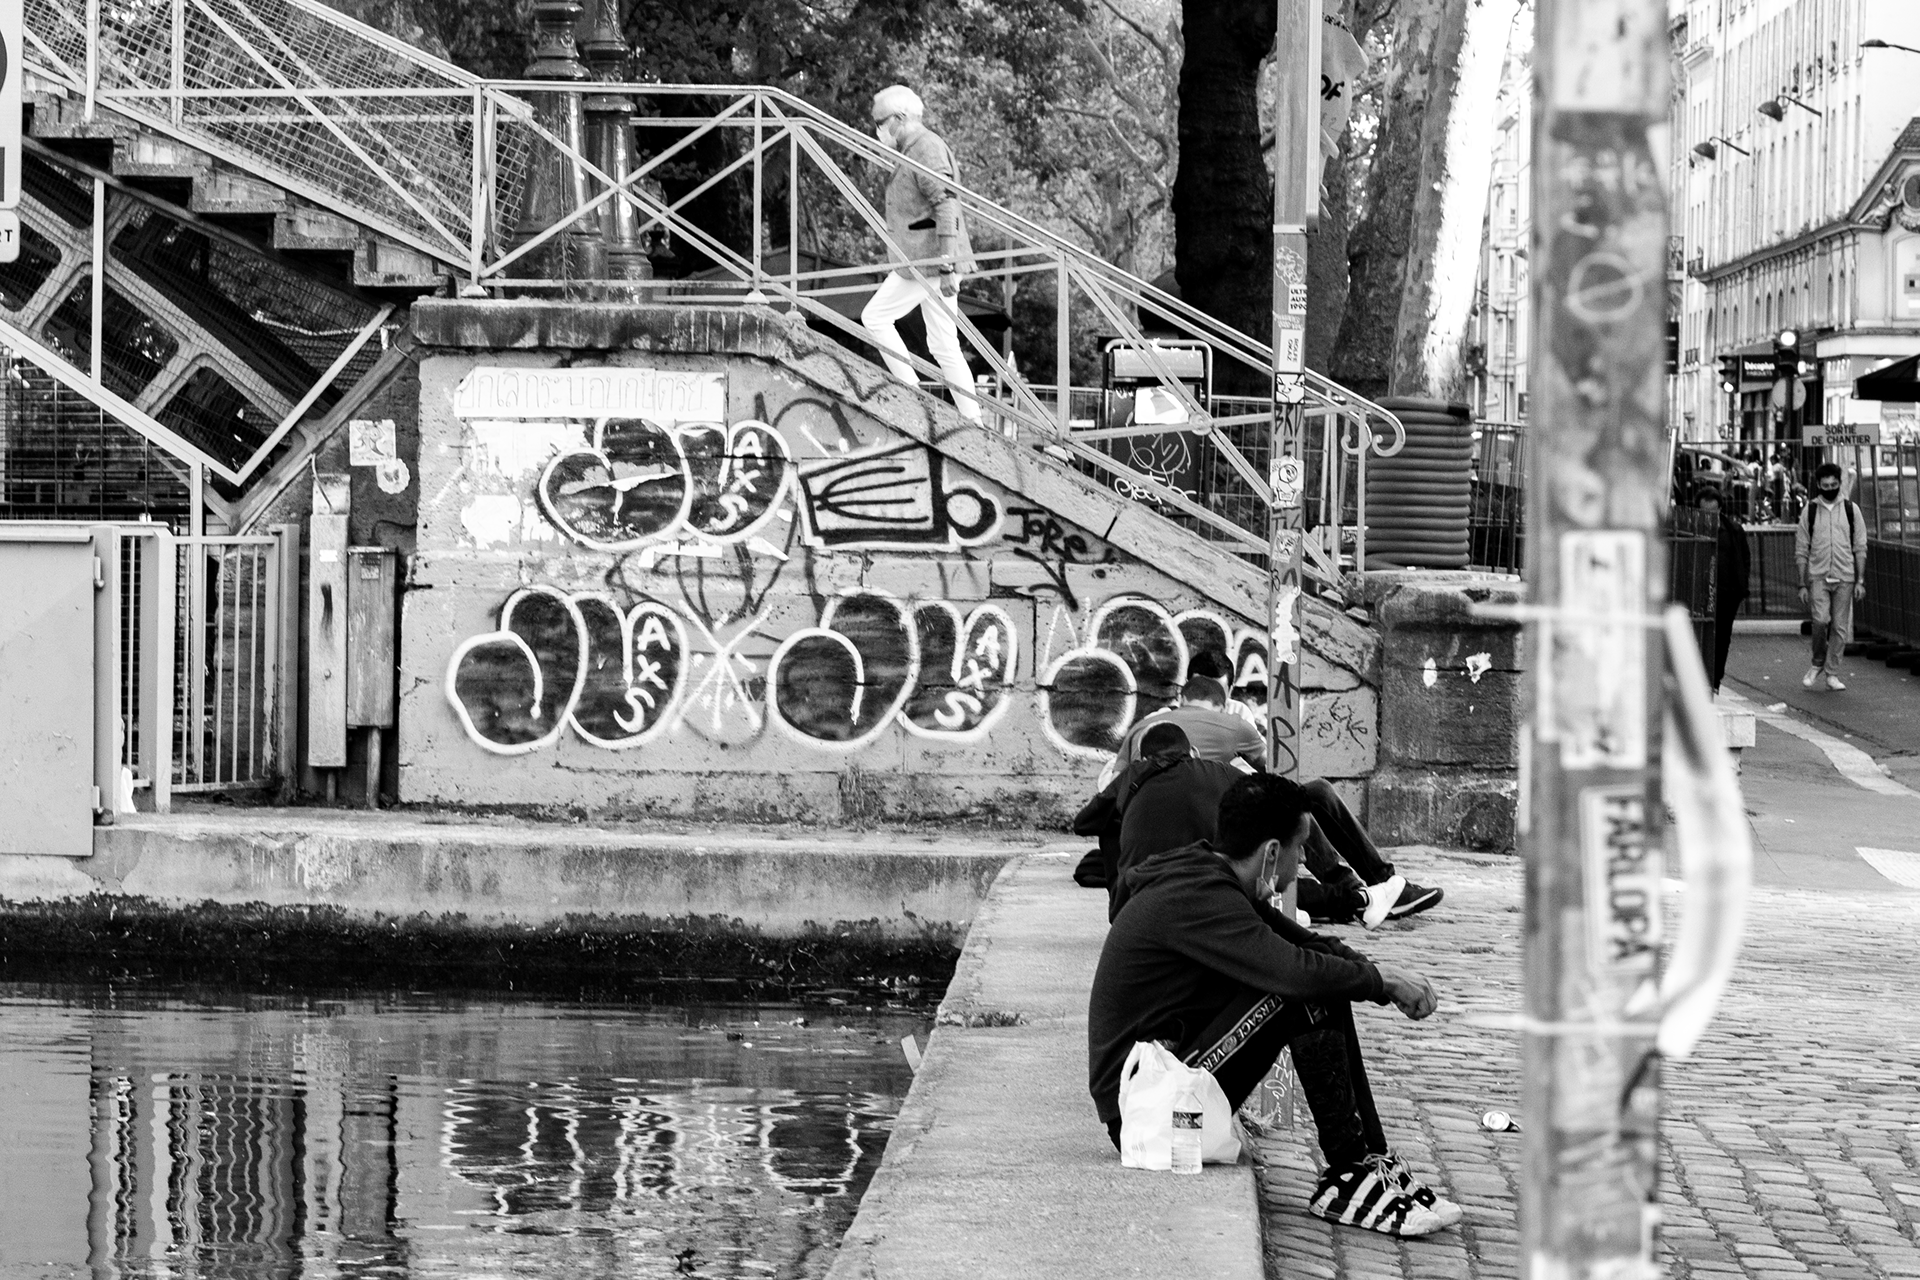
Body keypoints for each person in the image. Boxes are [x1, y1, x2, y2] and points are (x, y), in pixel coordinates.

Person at [1087, 774, 1459, 1238]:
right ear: (1270, 854)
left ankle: (1366, 1162)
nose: (1302, 862)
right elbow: (1295, 972)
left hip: (1168, 1087)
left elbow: (1308, 944)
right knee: (1303, 989)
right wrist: (1381, 982)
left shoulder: (1213, 877)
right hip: (1146, 1112)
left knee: (1322, 975)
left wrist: (1381, 974)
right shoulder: (1199, 896)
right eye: (1300, 850)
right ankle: (1348, 1173)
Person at [861, 85, 980, 424]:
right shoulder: (914, 148)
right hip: (930, 258)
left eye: (881, 122)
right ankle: (973, 420)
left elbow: (946, 204)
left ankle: (910, 393)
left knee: (876, 317)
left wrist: (945, 265)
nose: (878, 130)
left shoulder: (925, 147)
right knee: (944, 344)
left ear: (900, 118)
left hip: (929, 260)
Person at [1072, 723, 1246, 918]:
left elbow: (1083, 824)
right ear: (1194, 751)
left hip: (1138, 902)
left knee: (1108, 825)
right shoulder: (1223, 772)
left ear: (1144, 759)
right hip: (1213, 892)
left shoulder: (1134, 774)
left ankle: (1119, 904)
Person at [1794, 462, 1868, 692]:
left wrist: (1860, 580)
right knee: (1820, 621)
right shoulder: (1810, 511)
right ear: (1818, 485)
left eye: (1834, 485)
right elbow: (1801, 549)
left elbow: (1860, 546)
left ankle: (1832, 672)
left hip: (1845, 576)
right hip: (1818, 576)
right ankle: (1817, 662)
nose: (1829, 488)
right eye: (1825, 485)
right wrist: (1802, 583)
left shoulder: (1851, 510)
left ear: (1840, 484)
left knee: (1839, 627)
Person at [1694, 482, 1750, 694]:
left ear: (1720, 509)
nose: (1709, 516)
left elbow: (1745, 558)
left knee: (1722, 637)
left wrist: (1741, 585)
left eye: (1713, 511)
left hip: (1727, 594)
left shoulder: (1734, 530)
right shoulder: (1691, 530)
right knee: (1700, 636)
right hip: (1700, 591)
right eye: (1704, 512)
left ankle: (1715, 680)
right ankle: (1700, 677)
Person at [1188, 649, 1262, 730]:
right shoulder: (1173, 720)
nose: (1208, 702)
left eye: (1217, 693)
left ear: (1230, 691)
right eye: (1201, 690)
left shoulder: (1240, 714)